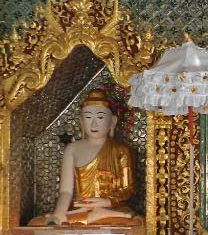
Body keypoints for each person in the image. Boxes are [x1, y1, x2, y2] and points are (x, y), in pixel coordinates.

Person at [30, 89, 142, 226]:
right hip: (81, 209)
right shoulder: (72, 149)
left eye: (100, 118)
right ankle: (91, 216)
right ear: (81, 121)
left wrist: (107, 201)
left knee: (134, 223)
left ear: (112, 121)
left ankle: (100, 214)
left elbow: (128, 189)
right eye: (88, 118)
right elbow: (66, 191)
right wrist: (59, 214)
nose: (94, 124)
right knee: (37, 223)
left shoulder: (121, 150)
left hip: (113, 208)